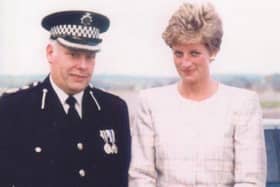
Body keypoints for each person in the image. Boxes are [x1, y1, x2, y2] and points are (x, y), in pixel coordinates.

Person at [129, 1, 266, 187]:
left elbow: (250, 181)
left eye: (194, 53)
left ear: (213, 51)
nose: (185, 63)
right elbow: (141, 177)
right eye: (178, 53)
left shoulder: (242, 104)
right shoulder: (150, 103)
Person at [0, 10, 131, 187]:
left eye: (90, 57)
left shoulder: (114, 110)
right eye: (73, 54)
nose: (83, 66)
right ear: (50, 53)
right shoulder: (13, 109)